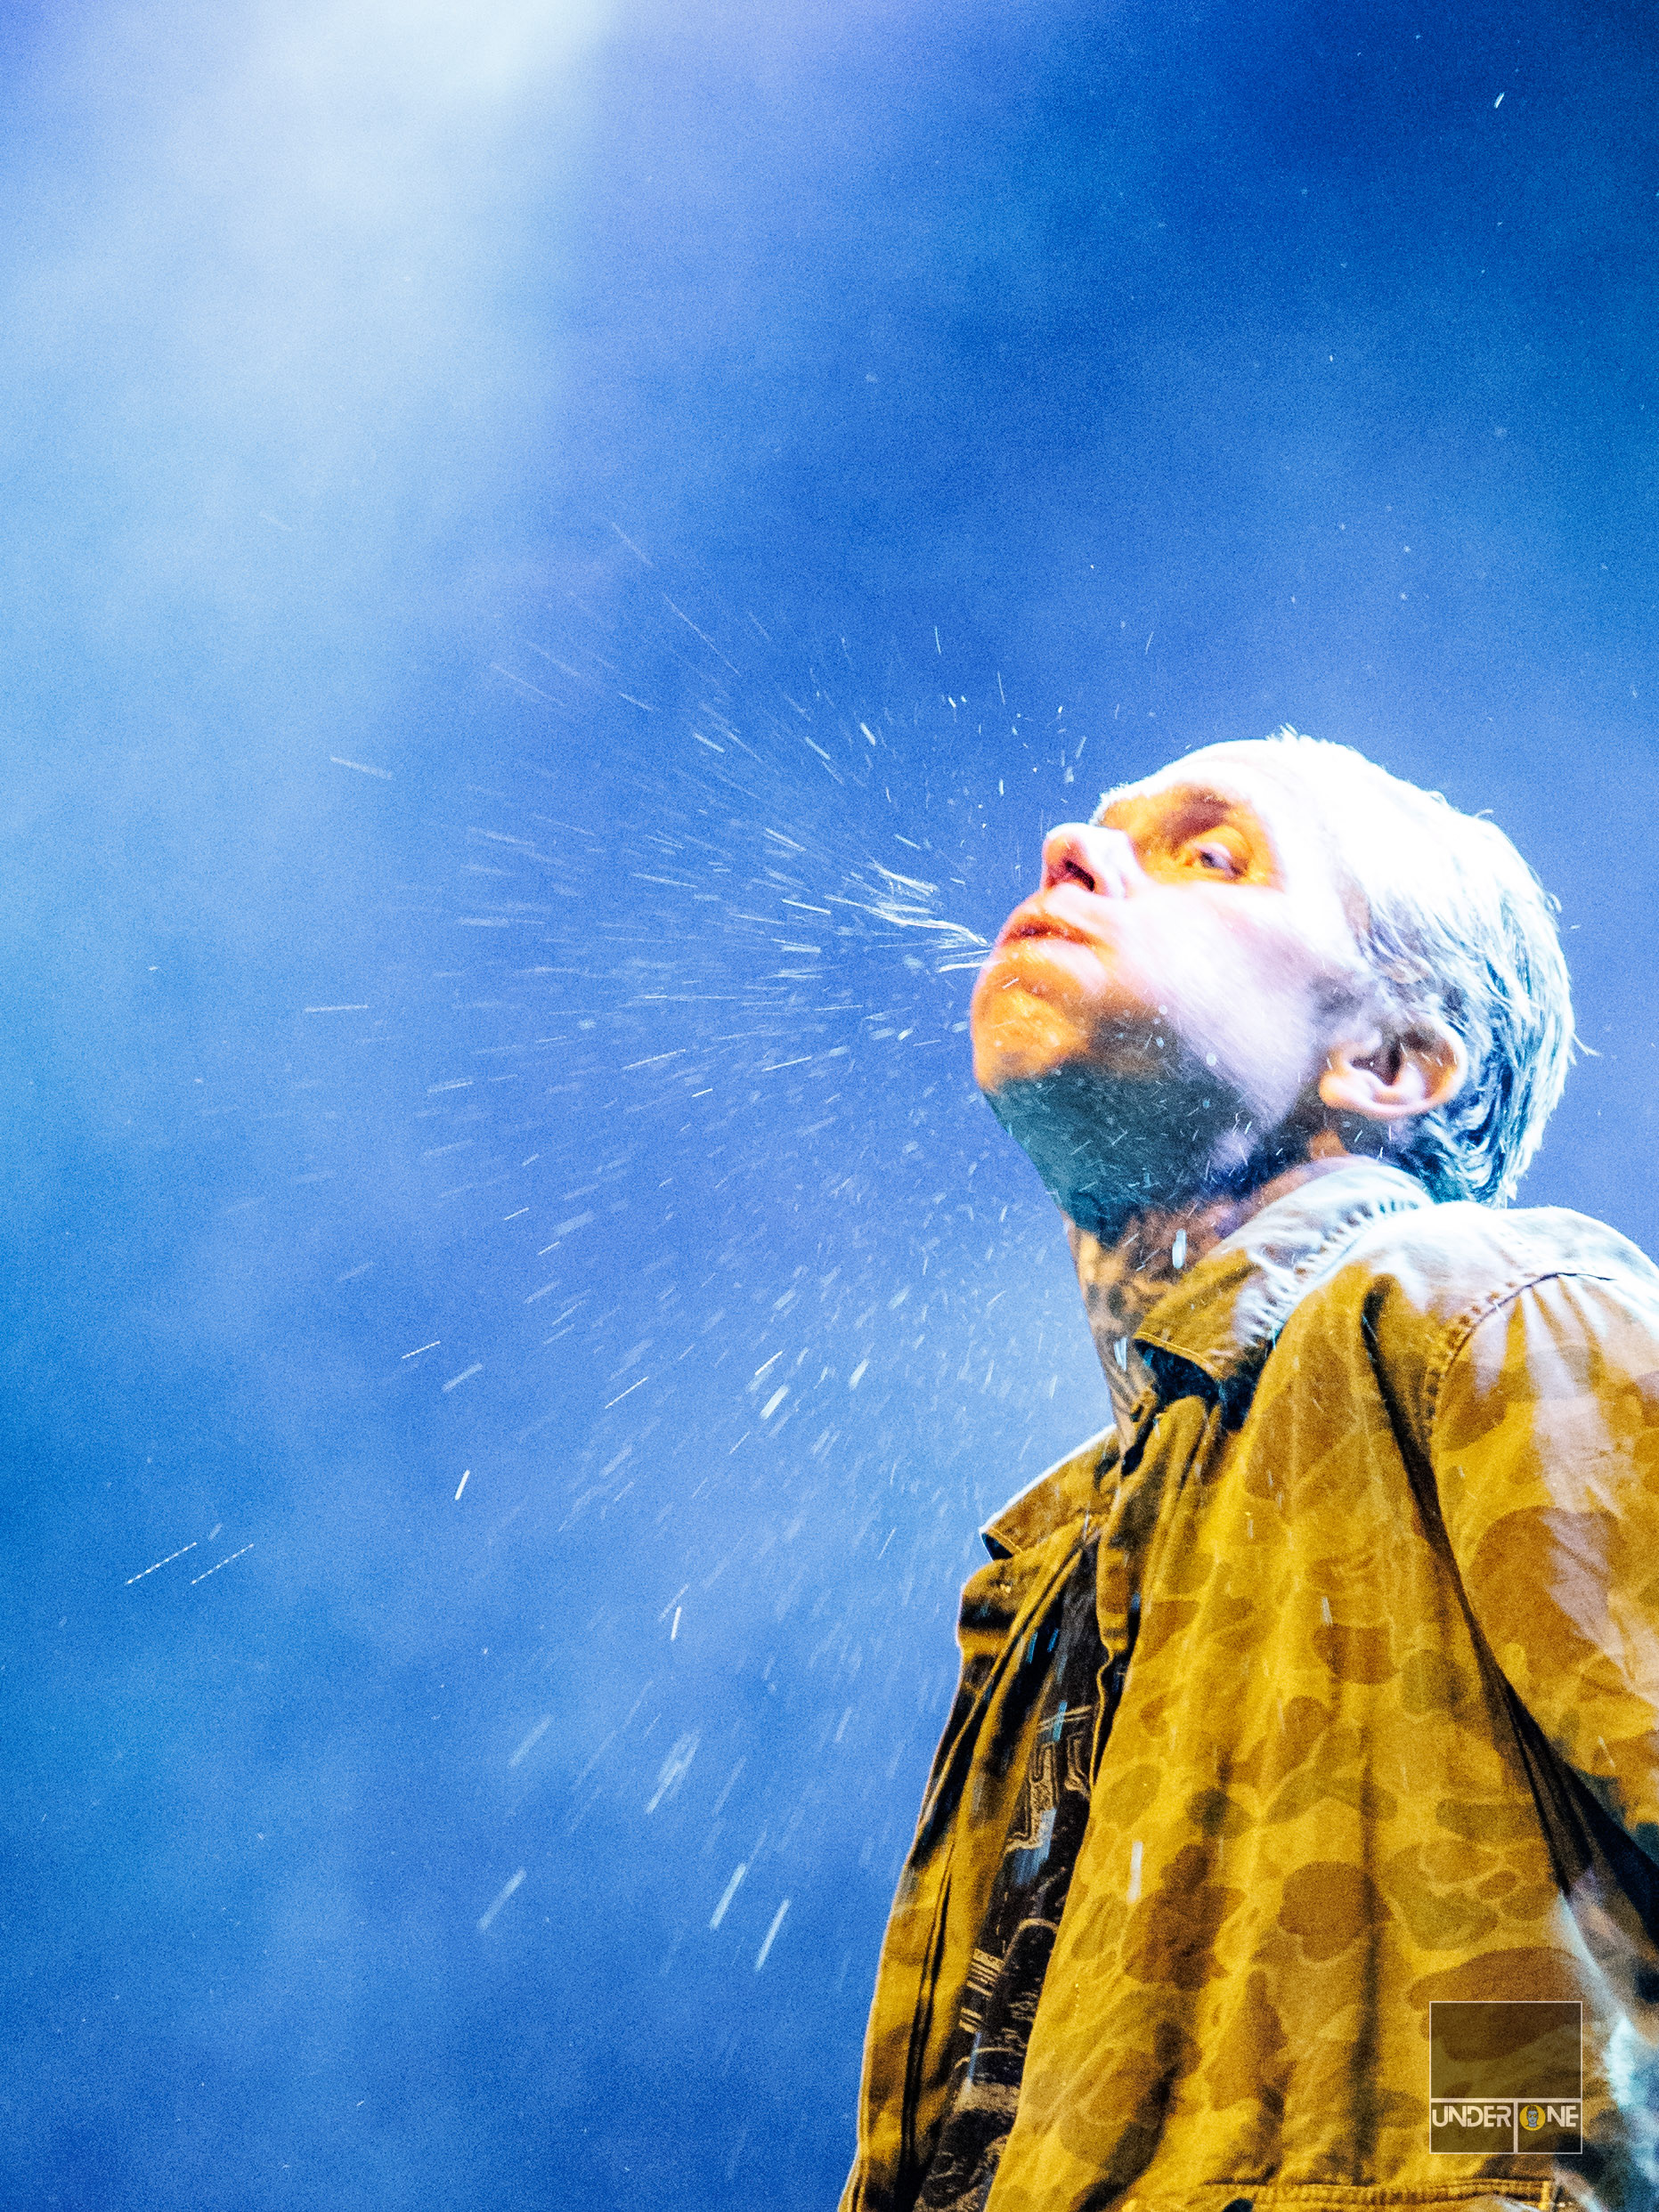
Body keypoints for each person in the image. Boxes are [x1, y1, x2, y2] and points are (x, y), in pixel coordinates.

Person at [840, 731, 1659, 2212]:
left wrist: (1512, 2148)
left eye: (1212, 854)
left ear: (1389, 1064)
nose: (1071, 851)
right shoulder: (1053, 1563)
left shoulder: (1487, 1316)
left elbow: (1527, 2104)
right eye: (1097, 830)